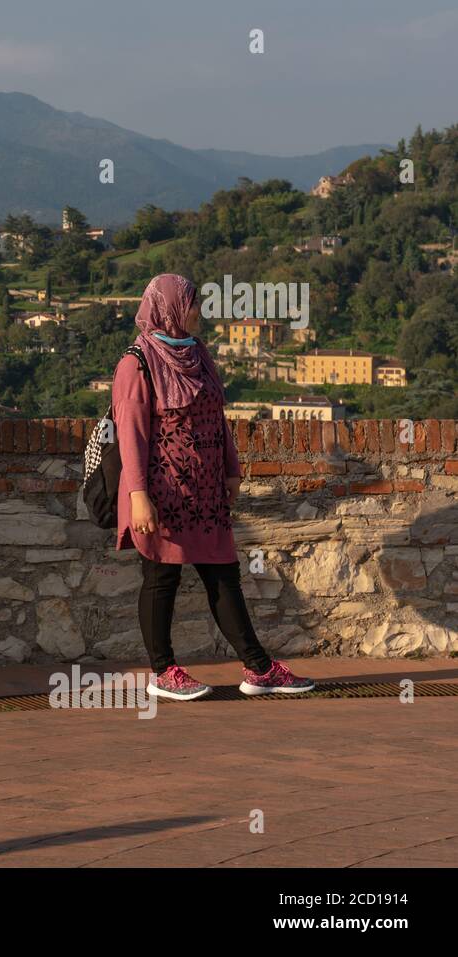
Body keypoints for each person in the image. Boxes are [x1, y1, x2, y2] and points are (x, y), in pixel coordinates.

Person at [113, 273, 315, 700]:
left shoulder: (197, 355)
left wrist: (231, 469)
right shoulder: (136, 363)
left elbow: (216, 417)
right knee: (161, 578)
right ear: (169, 308)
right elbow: (130, 435)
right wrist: (137, 498)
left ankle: (258, 669)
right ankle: (162, 671)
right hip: (160, 492)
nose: (197, 312)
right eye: (191, 304)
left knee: (223, 575)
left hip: (204, 493)